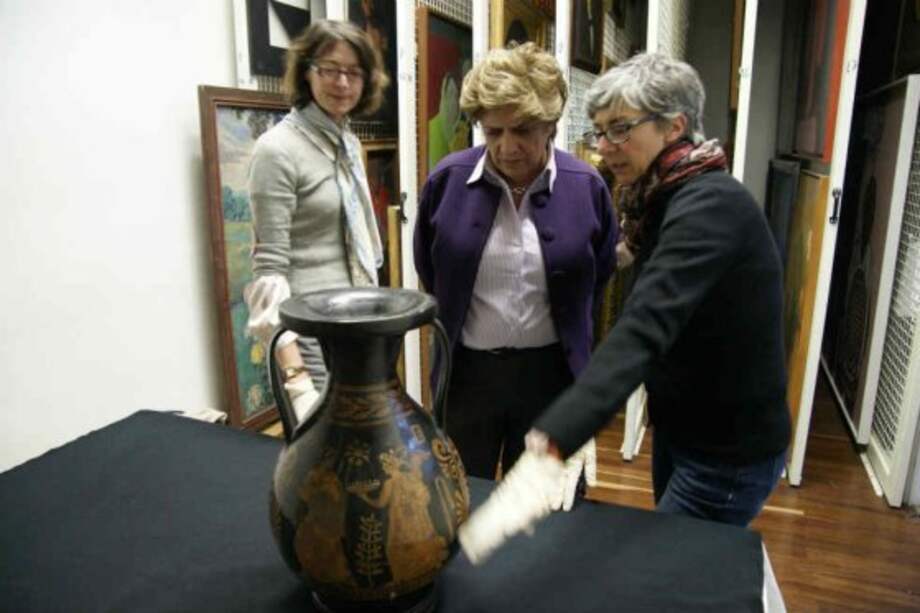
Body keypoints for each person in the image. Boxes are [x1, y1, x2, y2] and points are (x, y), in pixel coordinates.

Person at [459, 53, 792, 563]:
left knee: (668, 572)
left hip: (727, 453)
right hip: (685, 431)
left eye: (620, 129)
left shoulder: (710, 207)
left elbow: (643, 328)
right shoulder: (658, 199)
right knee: (675, 563)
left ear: (674, 125)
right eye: (598, 132)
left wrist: (550, 449)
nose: (606, 148)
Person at [413, 43, 618, 505]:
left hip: (553, 380)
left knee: (547, 510)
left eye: (523, 130)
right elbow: (432, 268)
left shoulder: (587, 187)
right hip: (468, 379)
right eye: (493, 131)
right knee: (459, 501)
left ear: (551, 124)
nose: (507, 147)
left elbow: (597, 276)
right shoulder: (447, 182)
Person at [244, 20, 389, 419]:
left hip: (356, 325)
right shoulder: (277, 150)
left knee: (361, 452)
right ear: (306, 70)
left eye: (353, 72)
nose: (342, 82)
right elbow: (267, 271)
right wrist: (296, 378)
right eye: (329, 68)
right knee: (320, 466)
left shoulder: (347, 142)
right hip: (310, 337)